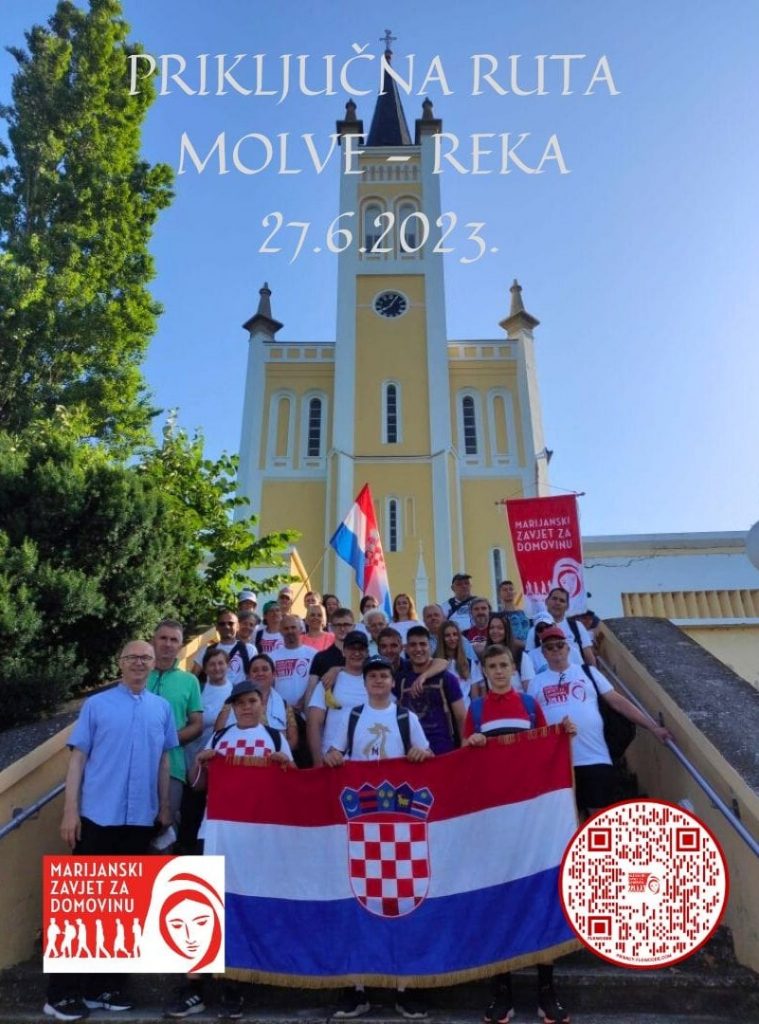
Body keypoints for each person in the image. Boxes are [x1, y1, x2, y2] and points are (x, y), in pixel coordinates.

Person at [44, 640, 178, 1022]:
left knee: (123, 910)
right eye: (132, 657)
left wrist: (164, 806)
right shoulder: (97, 705)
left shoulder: (162, 708)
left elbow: (164, 760)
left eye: (145, 658)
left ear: (154, 664)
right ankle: (60, 995)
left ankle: (103, 988)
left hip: (140, 820)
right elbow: (77, 760)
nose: (139, 663)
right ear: (120, 663)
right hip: (96, 818)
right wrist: (70, 812)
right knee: (81, 908)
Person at [463, 644, 576, 1024]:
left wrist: (564, 734)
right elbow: (464, 764)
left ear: (513, 668)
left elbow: (545, 748)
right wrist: (472, 744)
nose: (498, 671)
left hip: (531, 820)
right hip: (494, 822)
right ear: (483, 670)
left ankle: (547, 991)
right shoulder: (476, 710)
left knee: (542, 898)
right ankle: (502, 991)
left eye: (504, 665)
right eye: (492, 666)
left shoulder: (529, 705)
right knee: (499, 904)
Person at [168, 681, 293, 1019]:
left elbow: (292, 788)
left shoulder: (275, 738)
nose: (246, 707)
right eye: (240, 703)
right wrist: (201, 762)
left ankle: (233, 987)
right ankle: (193, 988)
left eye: (252, 701)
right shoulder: (220, 737)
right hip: (217, 831)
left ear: (261, 703)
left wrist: (285, 765)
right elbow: (197, 784)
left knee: (241, 907)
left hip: (257, 838)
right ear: (233, 708)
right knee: (205, 908)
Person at [324, 655, 432, 1021]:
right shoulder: (352, 716)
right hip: (361, 827)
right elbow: (334, 753)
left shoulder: (405, 718)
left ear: (391, 680)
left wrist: (421, 753)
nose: (378, 681)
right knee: (358, 904)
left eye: (384, 675)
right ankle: (357, 989)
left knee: (403, 904)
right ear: (365, 681)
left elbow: (428, 755)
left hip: (401, 827)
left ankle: (406, 987)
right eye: (373, 676)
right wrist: (333, 757)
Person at [525, 626, 671, 817]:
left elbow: (618, 702)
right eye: (549, 647)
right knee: (568, 821)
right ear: (543, 653)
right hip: (556, 763)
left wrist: (653, 727)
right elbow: (530, 722)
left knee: (599, 818)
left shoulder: (589, 673)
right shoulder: (536, 683)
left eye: (559, 645)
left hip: (594, 757)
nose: (555, 650)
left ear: (568, 648)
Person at [148, 619, 203, 830]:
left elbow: (197, 725)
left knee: (164, 830)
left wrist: (165, 740)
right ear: (153, 641)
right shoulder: (137, 675)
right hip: (133, 765)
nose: (168, 644)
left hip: (173, 766)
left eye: (174, 640)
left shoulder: (190, 681)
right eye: (163, 638)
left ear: (180, 645)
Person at [178, 647, 233, 854]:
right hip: (193, 761)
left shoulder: (236, 692)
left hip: (220, 766)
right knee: (191, 811)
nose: (217, 668)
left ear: (227, 665)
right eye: (212, 664)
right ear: (205, 668)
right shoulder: (198, 690)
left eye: (221, 663)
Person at [395, 626, 466, 755]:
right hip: (413, 755)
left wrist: (463, 750)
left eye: (423, 644)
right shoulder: (400, 680)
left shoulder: (447, 678)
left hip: (445, 753)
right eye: (413, 645)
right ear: (406, 648)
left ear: (430, 647)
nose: (418, 649)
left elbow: (461, 717)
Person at [307, 629, 371, 766]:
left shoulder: (375, 681)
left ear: (367, 652)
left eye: (361, 649)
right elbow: (314, 723)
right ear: (343, 651)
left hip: (366, 760)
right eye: (352, 648)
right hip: (332, 761)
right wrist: (318, 763)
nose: (356, 653)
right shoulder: (329, 681)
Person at [525, 587, 596, 667]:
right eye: (554, 599)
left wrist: (592, 674)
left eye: (562, 600)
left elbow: (589, 657)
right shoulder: (534, 631)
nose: (557, 603)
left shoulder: (577, 627)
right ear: (546, 601)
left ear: (567, 606)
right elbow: (529, 662)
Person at [193, 610, 255, 685]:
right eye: (222, 624)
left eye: (231, 623)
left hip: (239, 692)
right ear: (217, 627)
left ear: (237, 626)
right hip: (214, 691)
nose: (226, 626)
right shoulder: (206, 650)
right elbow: (193, 676)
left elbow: (255, 677)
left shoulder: (250, 650)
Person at [437, 620, 483, 709]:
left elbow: (475, 697)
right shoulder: (435, 664)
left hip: (466, 712)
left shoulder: (470, 664)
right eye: (447, 635)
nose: (452, 638)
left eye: (455, 634)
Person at [485, 613, 536, 690]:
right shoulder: (485, 657)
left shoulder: (520, 656)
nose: (495, 631)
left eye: (500, 628)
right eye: (492, 628)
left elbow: (530, 689)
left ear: (507, 630)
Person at [497, 580, 530, 652]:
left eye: (511, 589)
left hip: (528, 652)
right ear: (500, 594)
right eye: (505, 590)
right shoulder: (499, 617)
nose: (508, 592)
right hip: (511, 652)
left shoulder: (524, 613)